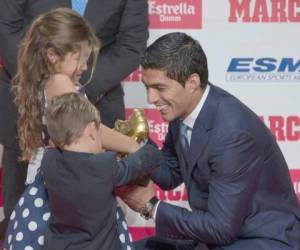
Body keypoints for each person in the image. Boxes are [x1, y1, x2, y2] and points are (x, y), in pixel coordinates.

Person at [119, 32, 300, 250]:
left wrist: (151, 207)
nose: (151, 99)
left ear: (192, 82)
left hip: (261, 239)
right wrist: (133, 142)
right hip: (218, 234)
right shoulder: (185, 110)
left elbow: (221, 229)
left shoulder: (233, 133)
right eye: (147, 87)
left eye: (159, 88)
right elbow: (169, 175)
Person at [0, 0, 149, 229]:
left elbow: (132, 44)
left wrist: (77, 87)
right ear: (52, 55)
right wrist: (134, 146)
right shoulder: (57, 84)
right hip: (49, 192)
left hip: (96, 98)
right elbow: (5, 25)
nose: (84, 63)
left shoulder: (62, 83)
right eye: (80, 58)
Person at [40, 93, 161, 250]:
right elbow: (137, 163)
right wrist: (153, 152)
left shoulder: (49, 160)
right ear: (91, 130)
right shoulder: (103, 165)